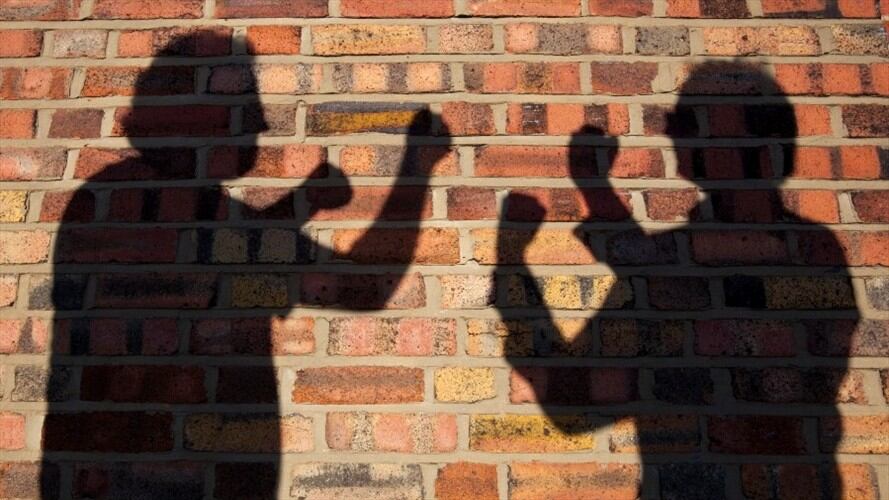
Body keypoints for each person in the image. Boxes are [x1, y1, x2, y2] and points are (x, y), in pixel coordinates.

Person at [42, 32, 450, 499]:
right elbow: (365, 287)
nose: (259, 120)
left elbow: (225, 248)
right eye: (244, 100)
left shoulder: (115, 197)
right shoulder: (137, 200)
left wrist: (300, 204)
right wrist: (418, 167)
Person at [500, 62, 857, 498]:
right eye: (680, 123)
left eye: (694, 123)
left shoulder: (803, 255)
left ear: (763, 152)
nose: (676, 135)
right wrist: (592, 189)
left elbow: (573, 405)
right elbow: (662, 270)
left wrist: (514, 265)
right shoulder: (807, 250)